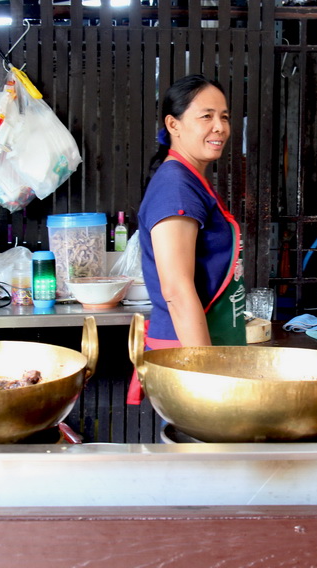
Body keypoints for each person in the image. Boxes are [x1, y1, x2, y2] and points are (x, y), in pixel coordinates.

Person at [127, 74, 246, 404]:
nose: (219, 127)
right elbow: (176, 290)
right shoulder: (176, 185)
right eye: (206, 116)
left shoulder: (190, 180)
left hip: (203, 343)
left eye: (224, 116)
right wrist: (205, 372)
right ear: (173, 124)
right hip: (187, 354)